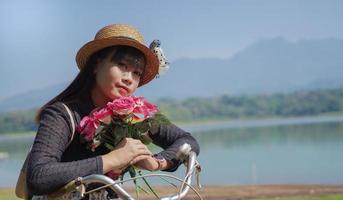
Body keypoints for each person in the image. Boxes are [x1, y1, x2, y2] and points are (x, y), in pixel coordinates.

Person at [26, 24, 200, 198]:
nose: (129, 79)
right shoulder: (63, 113)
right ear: (96, 65)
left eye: (136, 73)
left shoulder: (135, 115)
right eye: (122, 65)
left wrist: (158, 163)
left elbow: (187, 140)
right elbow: (38, 176)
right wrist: (113, 159)